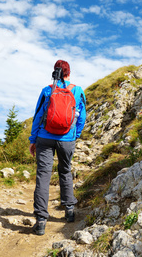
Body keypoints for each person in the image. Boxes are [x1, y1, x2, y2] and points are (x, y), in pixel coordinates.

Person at [29, 59, 87, 235]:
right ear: (68, 73)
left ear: (55, 72)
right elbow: (82, 117)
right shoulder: (77, 90)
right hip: (66, 139)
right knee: (65, 171)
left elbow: (38, 115)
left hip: (44, 138)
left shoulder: (47, 90)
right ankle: (69, 210)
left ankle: (40, 221)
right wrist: (74, 135)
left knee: (43, 176)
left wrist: (33, 139)